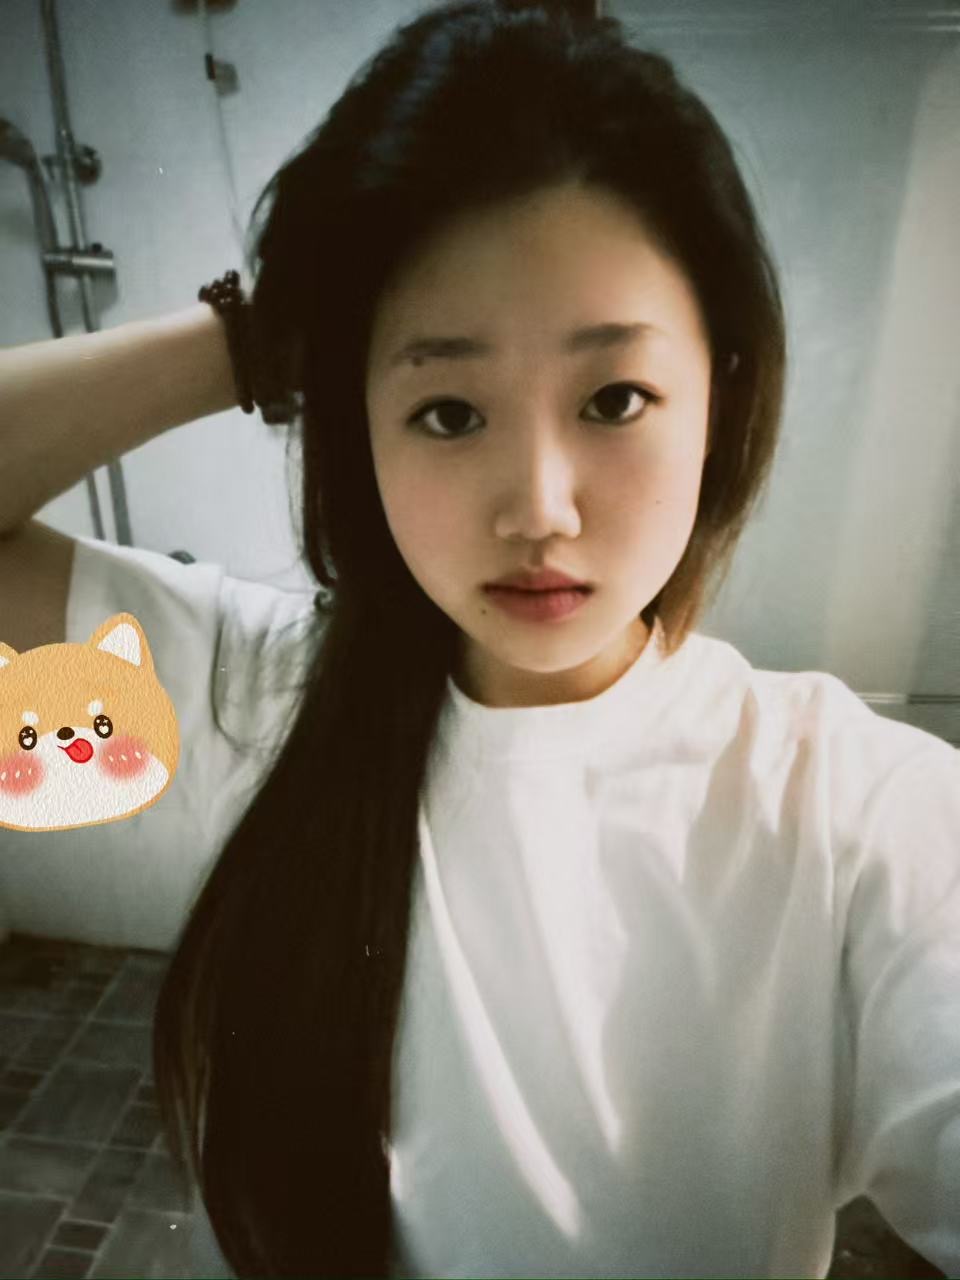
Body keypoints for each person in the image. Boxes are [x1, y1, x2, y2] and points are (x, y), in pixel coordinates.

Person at [1, 2, 958, 1277]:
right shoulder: (258, 706)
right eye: (449, 411)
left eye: (614, 397)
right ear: (359, 426)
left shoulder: (853, 810)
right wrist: (258, 336)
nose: (540, 509)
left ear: (720, 395)